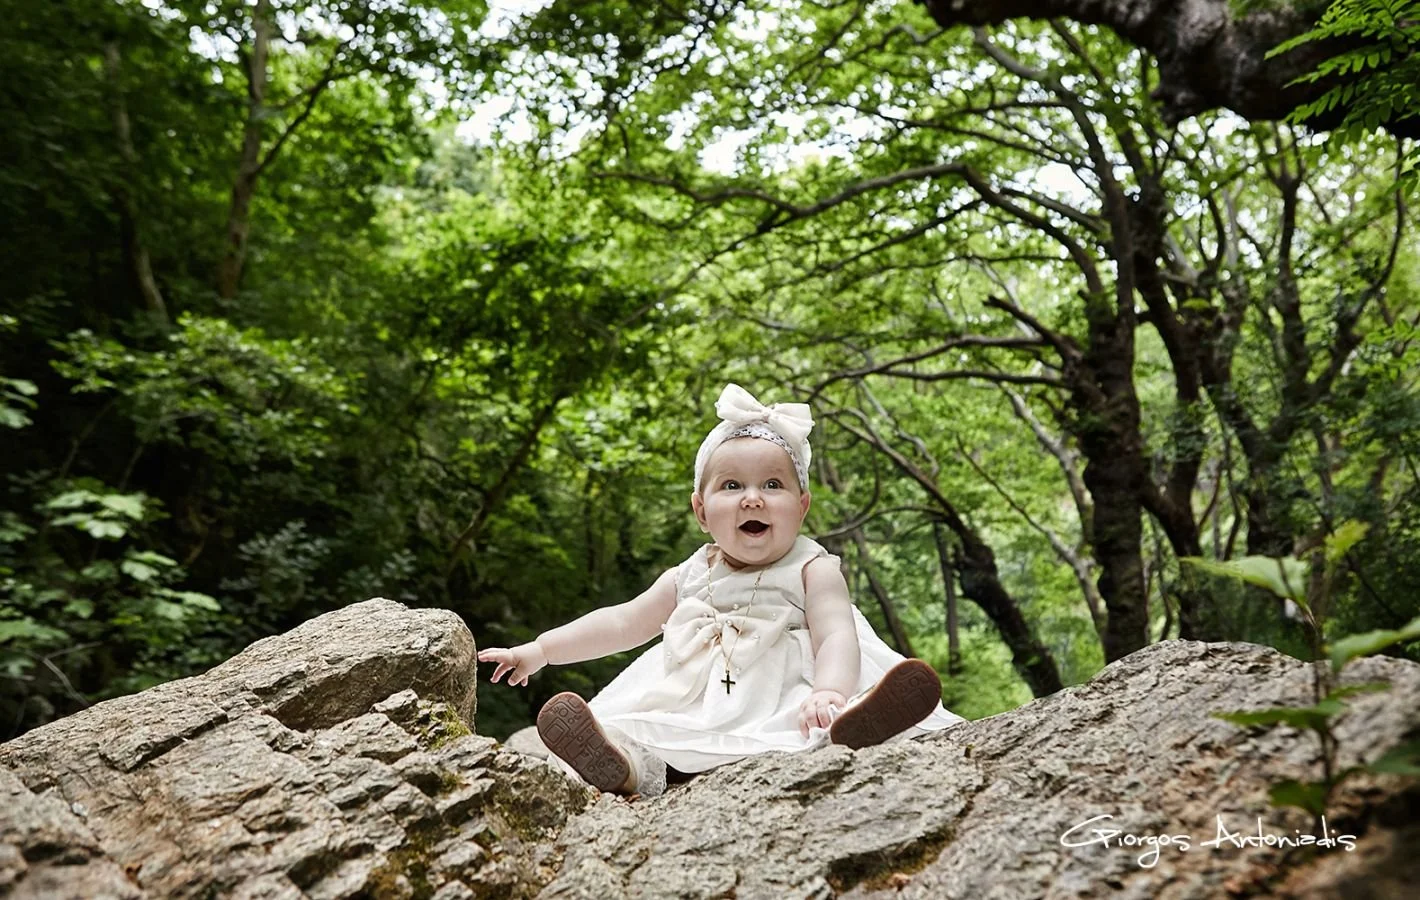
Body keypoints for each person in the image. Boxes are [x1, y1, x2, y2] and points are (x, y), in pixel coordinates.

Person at [478, 383, 962, 797]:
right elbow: (623, 621)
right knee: (637, 729)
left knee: (809, 723)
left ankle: (848, 728)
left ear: (802, 506)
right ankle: (620, 766)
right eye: (732, 486)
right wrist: (541, 650)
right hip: (696, 697)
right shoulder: (690, 575)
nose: (753, 497)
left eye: (773, 485)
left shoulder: (813, 568)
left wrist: (829, 689)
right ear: (701, 511)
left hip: (792, 693)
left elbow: (837, 635)